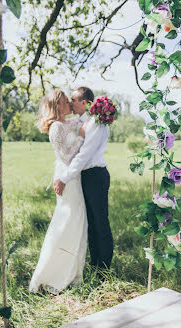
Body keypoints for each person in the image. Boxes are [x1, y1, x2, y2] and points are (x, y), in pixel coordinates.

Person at [29, 90, 88, 294]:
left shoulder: (66, 123)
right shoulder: (56, 128)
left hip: (74, 178)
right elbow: (66, 157)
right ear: (57, 106)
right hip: (67, 178)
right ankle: (54, 272)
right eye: (65, 102)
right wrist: (80, 139)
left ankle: (73, 270)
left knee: (78, 220)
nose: (69, 104)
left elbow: (81, 122)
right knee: (68, 220)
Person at [54, 87, 113, 271]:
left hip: (96, 175)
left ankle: (104, 268)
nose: (70, 103)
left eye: (73, 100)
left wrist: (63, 178)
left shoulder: (96, 124)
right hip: (86, 177)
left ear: (84, 103)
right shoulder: (81, 121)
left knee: (100, 222)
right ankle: (95, 263)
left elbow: (84, 156)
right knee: (91, 223)